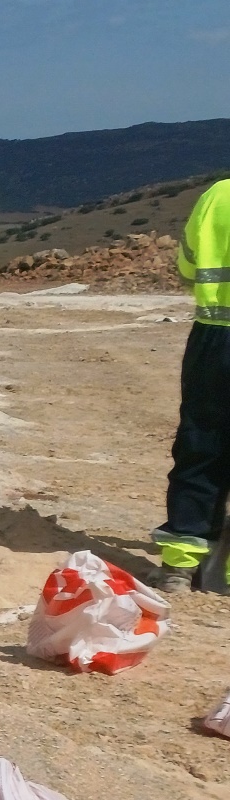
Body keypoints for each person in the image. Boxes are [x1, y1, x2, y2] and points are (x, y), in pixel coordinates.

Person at [151, 177, 230, 588]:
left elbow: (187, 268)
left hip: (214, 338)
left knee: (201, 441)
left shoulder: (217, 196)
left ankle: (181, 564)